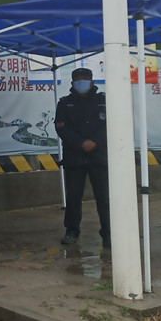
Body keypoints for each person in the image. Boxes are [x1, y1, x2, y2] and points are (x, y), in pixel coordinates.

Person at [55, 66, 110, 249]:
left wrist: (95, 142)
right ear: (72, 83)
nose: (81, 83)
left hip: (99, 157)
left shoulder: (104, 101)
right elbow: (61, 127)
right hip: (74, 157)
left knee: (104, 198)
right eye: (78, 80)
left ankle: (108, 233)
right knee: (73, 197)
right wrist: (80, 143)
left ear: (92, 82)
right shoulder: (65, 103)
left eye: (85, 79)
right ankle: (72, 231)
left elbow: (111, 124)